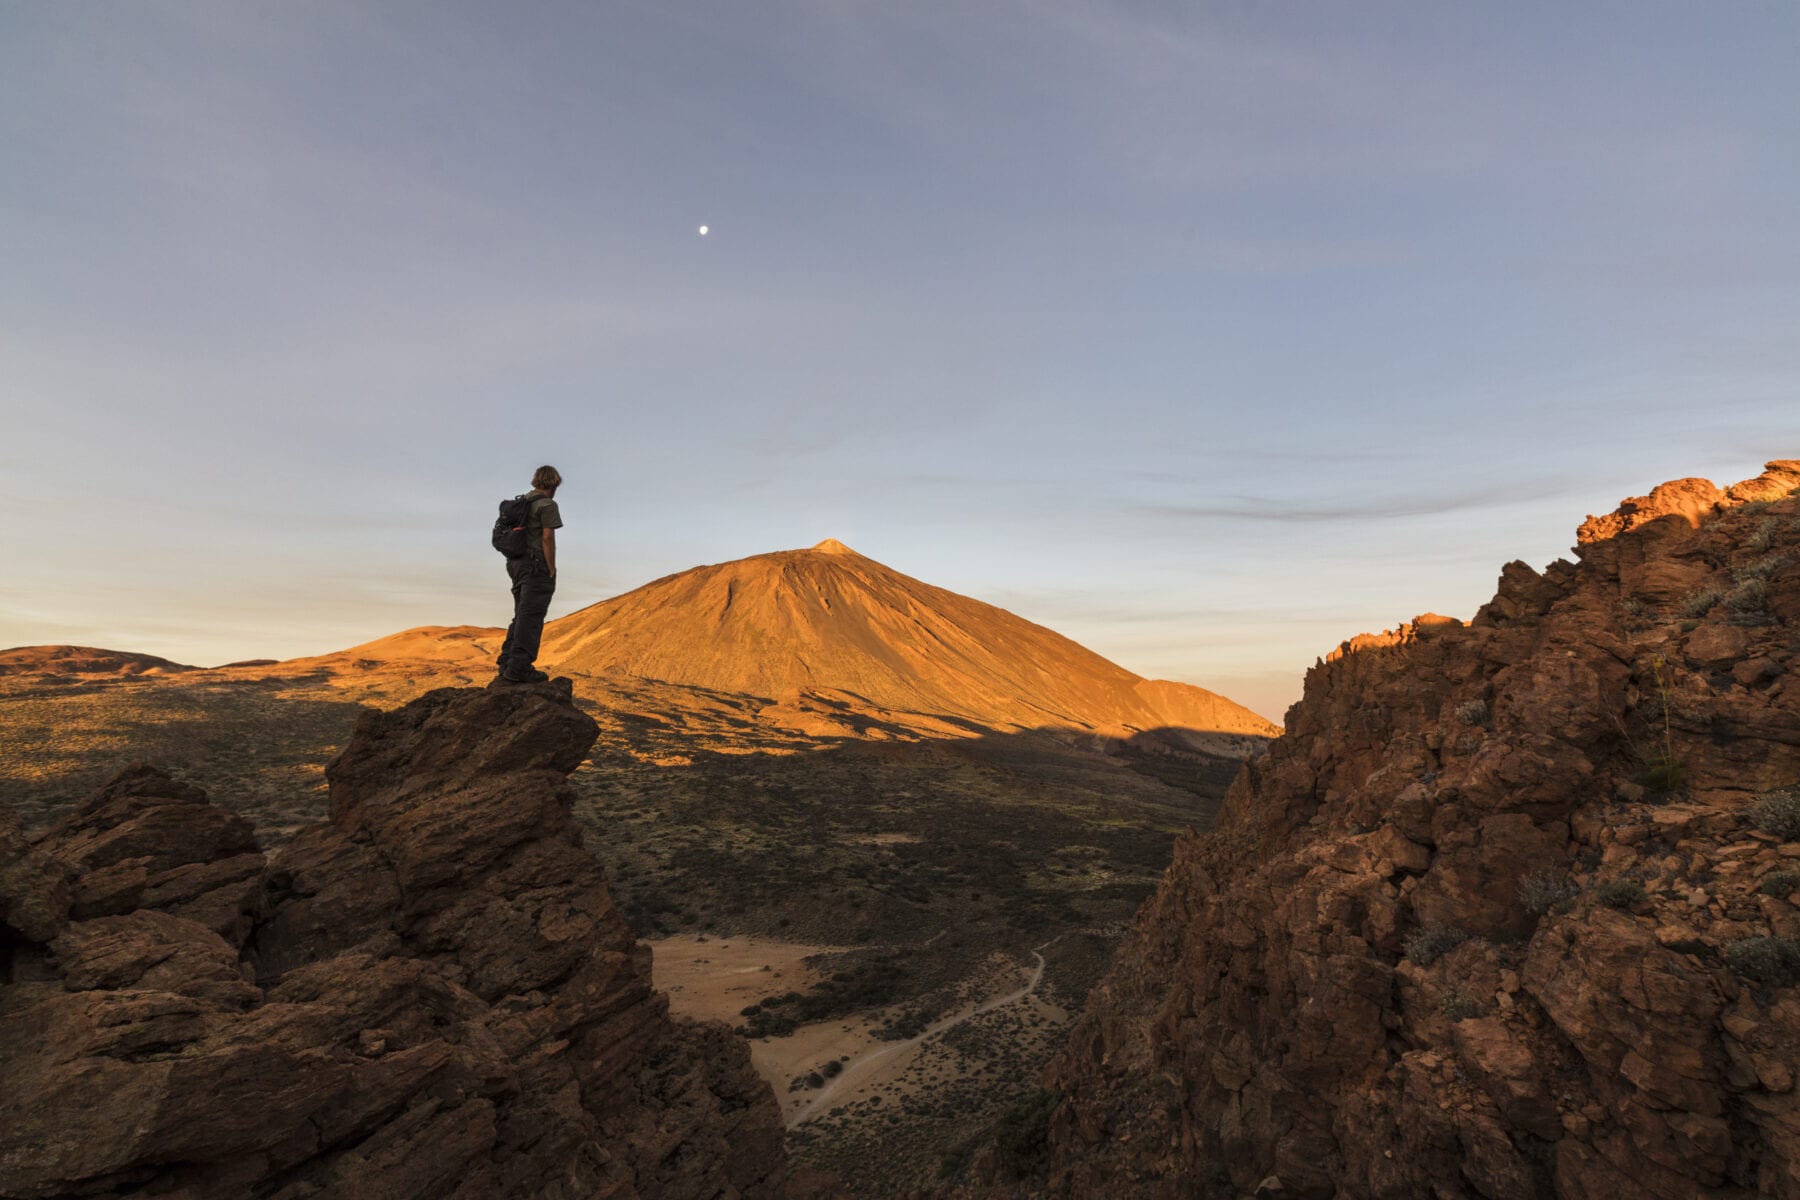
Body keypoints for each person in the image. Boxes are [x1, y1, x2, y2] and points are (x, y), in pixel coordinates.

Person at [496, 465, 564, 683]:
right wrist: (551, 567)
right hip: (536, 567)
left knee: (521, 613)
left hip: (515, 566)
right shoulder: (547, 504)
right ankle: (519, 668)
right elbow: (547, 538)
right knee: (532, 616)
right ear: (553, 483)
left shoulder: (521, 503)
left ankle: (507, 662)